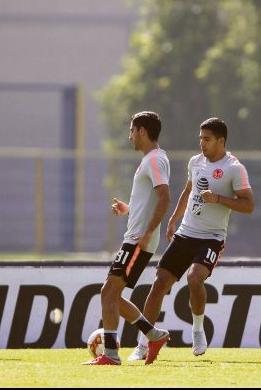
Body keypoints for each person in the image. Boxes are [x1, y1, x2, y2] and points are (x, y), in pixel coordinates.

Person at [128, 117, 254, 360]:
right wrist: (174, 219)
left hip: (211, 238)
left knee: (194, 278)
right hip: (186, 233)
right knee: (159, 283)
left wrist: (218, 199)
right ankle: (143, 344)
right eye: (200, 139)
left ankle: (197, 330)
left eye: (207, 139)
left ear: (221, 141)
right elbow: (189, 190)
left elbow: (249, 205)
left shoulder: (234, 168)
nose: (202, 144)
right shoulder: (195, 162)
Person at [83, 112, 172, 366]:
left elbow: (165, 197)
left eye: (132, 131)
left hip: (137, 240)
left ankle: (111, 354)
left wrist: (147, 232)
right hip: (134, 237)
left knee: (108, 292)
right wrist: (129, 209)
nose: (129, 136)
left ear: (143, 131)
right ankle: (153, 335)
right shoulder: (151, 159)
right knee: (112, 294)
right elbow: (151, 201)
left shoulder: (155, 160)